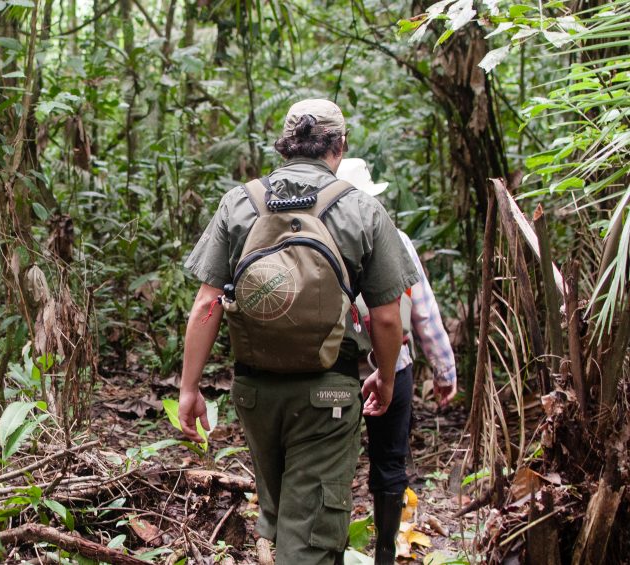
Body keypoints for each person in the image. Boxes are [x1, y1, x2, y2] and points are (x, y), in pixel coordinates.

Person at [178, 99, 420, 565]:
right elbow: (388, 317)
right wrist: (385, 378)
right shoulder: (360, 209)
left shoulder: (240, 202)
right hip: (326, 395)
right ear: (340, 146)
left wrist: (190, 387)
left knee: (278, 508)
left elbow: (207, 303)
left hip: (254, 392)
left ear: (286, 144)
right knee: (309, 539)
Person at [336, 158, 457, 565]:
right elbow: (420, 309)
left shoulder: (313, 238)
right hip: (392, 364)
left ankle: (329, 551)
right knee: (389, 460)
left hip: (330, 369)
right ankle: (386, 552)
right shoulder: (394, 238)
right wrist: (444, 369)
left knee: (331, 461)